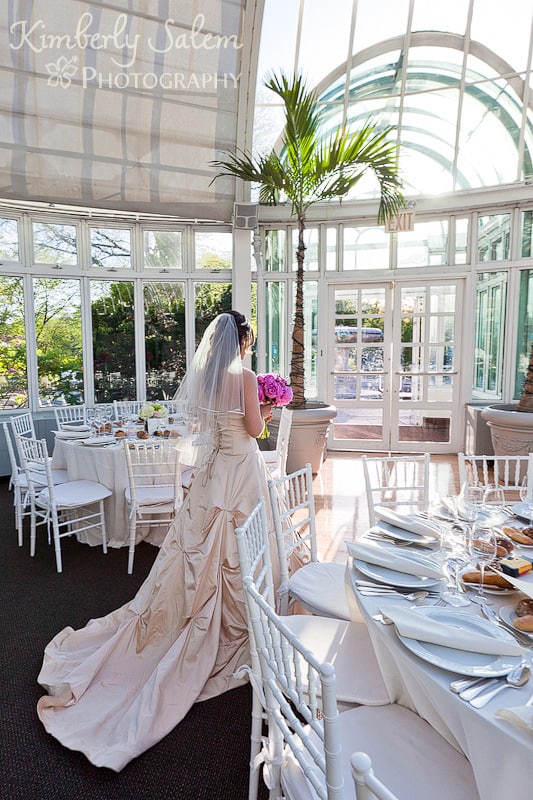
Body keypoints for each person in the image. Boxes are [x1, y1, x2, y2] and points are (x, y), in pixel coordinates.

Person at [36, 311, 283, 771]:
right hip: (240, 472)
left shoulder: (208, 380)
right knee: (241, 541)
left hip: (212, 477)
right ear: (243, 341)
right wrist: (267, 410)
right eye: (248, 339)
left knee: (197, 546)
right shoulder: (245, 376)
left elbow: (207, 429)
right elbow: (254, 431)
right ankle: (239, 613)